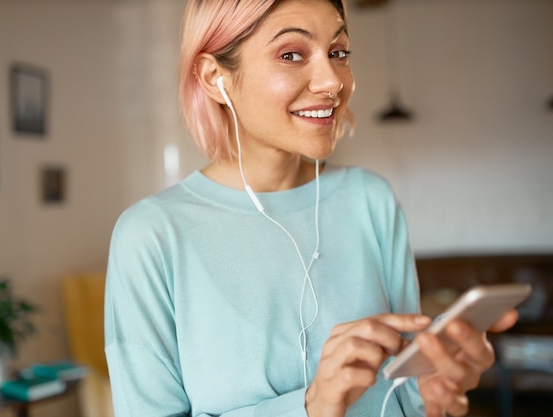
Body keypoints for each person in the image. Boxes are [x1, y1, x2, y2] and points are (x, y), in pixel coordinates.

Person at [104, 0, 518, 416]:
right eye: (291, 55)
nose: (332, 82)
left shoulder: (370, 200)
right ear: (216, 78)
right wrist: (310, 406)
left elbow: (406, 395)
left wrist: (439, 390)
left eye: (338, 53)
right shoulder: (151, 235)